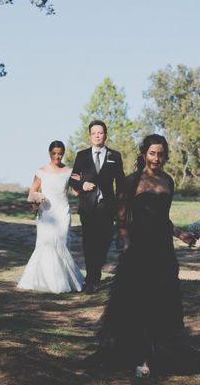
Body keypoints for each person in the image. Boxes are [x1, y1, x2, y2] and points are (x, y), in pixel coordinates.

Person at [87, 134, 197, 378]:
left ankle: (161, 354)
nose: (156, 158)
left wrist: (181, 234)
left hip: (163, 248)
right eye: (152, 153)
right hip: (138, 248)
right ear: (144, 154)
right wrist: (124, 239)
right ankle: (137, 355)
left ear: (166, 156)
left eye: (161, 154)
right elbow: (122, 216)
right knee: (136, 300)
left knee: (163, 298)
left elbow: (163, 219)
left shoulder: (168, 181)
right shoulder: (131, 181)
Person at [17, 140, 84, 293]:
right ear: (49, 153)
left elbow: (75, 192)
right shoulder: (41, 171)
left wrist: (81, 184)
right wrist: (37, 197)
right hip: (46, 213)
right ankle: (45, 281)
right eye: (54, 154)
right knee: (45, 244)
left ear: (63, 154)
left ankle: (64, 281)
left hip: (63, 212)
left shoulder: (69, 171)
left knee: (61, 244)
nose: (57, 157)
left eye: (60, 154)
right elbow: (31, 193)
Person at [69, 120, 125, 293]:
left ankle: (95, 274)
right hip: (88, 207)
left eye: (100, 133)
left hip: (107, 207)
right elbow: (73, 178)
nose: (97, 136)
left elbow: (121, 183)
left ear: (105, 135)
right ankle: (91, 279)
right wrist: (82, 185)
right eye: (94, 133)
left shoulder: (114, 156)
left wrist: (121, 205)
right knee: (89, 243)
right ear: (90, 136)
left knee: (104, 243)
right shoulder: (82, 155)